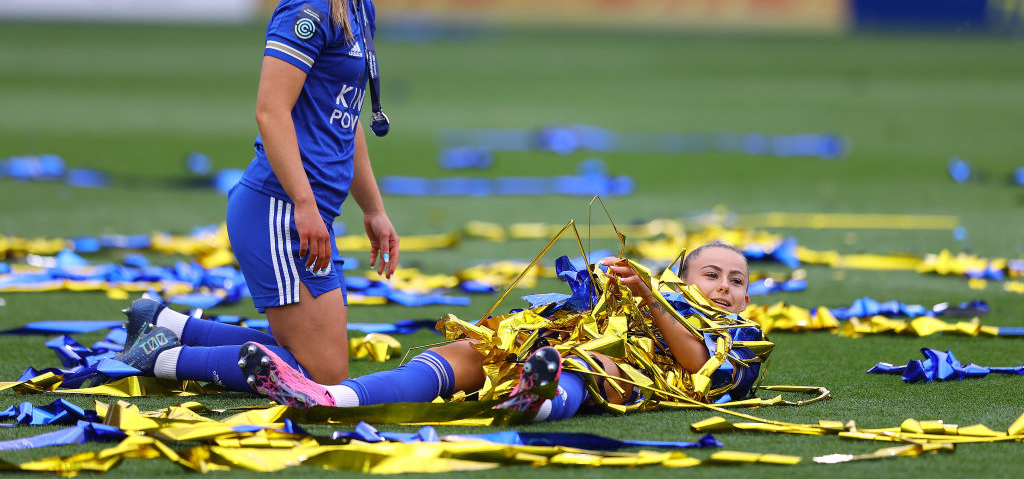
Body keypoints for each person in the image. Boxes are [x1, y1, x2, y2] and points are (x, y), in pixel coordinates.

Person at [114, 0, 408, 392]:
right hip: (279, 208)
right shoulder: (309, 8)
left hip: (305, 210)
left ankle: (168, 326)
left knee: (316, 363)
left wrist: (373, 208)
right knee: (322, 374)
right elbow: (270, 112)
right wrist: (303, 204)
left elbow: (346, 122)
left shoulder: (358, 7)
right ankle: (164, 358)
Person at [233, 241, 772, 420]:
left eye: (737, 279)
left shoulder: (745, 334)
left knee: (593, 365)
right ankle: (330, 397)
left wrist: (651, 300)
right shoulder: (655, 291)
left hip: (627, 374)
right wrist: (599, 284)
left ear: (748, 295)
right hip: (565, 344)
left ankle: (535, 403)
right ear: (682, 275)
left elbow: (701, 367)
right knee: (469, 352)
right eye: (712, 274)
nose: (725, 286)